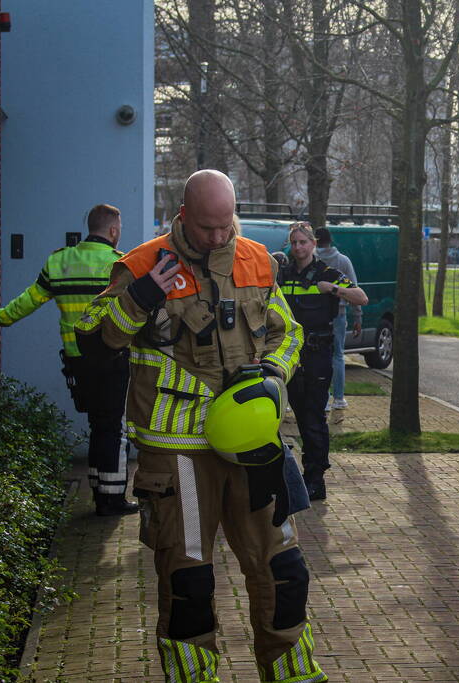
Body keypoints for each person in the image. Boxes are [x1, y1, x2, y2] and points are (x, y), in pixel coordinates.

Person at [74, 170, 328, 683]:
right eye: (208, 227)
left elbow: (290, 333)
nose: (219, 237)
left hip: (255, 445)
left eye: (226, 224)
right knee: (188, 580)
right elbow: (92, 342)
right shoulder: (143, 264)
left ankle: (295, 676)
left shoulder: (257, 259)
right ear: (184, 215)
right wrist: (141, 297)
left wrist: (275, 374)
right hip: (178, 452)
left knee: (284, 571)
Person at [0, 204, 136, 516]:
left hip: (77, 361)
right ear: (112, 231)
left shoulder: (58, 262)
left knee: (98, 423)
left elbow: (30, 300)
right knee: (113, 427)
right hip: (112, 359)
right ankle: (111, 499)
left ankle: (99, 487)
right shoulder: (119, 266)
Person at [280, 222, 367, 501]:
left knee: (313, 418)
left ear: (313, 244)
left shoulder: (328, 273)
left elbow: (361, 297)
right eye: (294, 243)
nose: (298, 248)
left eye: (303, 242)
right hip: (290, 355)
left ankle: (315, 478)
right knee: (295, 417)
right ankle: (300, 475)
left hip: (317, 355)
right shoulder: (284, 274)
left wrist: (332, 290)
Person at [315, 227, 362, 410]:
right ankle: (339, 398)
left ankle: (324, 398)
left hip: (317, 314)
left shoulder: (312, 261)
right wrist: (357, 316)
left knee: (320, 356)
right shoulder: (343, 261)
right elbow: (354, 289)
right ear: (330, 241)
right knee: (338, 356)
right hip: (340, 315)